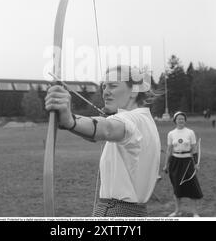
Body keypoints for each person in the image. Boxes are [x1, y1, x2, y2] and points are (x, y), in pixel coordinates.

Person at [45, 65, 161, 217]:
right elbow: (101, 132)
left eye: (113, 86)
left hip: (117, 212)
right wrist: (70, 124)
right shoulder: (143, 120)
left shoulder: (133, 120)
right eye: (104, 86)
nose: (105, 92)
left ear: (133, 90)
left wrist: (69, 119)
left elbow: (107, 128)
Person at [163, 111, 203, 217]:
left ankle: (195, 212)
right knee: (177, 187)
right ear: (175, 120)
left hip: (188, 162)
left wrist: (195, 163)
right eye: (178, 118)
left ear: (185, 120)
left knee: (192, 186)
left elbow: (194, 149)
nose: (181, 120)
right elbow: (169, 150)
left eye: (182, 118)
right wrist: (166, 164)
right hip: (175, 162)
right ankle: (177, 211)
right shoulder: (171, 134)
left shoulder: (190, 132)